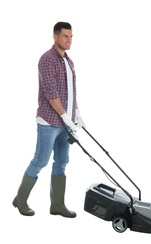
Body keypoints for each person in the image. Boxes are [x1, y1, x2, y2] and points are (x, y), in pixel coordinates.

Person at [12, 22, 85, 218]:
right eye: (65, 36)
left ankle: (58, 205)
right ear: (55, 37)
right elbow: (51, 93)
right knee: (40, 161)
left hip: (66, 122)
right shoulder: (47, 59)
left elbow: (70, 91)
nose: (69, 40)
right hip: (50, 121)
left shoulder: (69, 62)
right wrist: (64, 116)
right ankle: (20, 200)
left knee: (62, 161)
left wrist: (76, 113)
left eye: (71, 36)